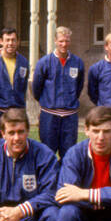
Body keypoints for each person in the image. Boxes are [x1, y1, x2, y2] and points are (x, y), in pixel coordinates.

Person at [32, 26, 86, 159]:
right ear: (55, 41)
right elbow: (36, 88)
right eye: (61, 41)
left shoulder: (77, 62)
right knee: (47, 154)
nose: (64, 44)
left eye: (67, 41)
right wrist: (47, 103)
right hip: (50, 115)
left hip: (70, 116)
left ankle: (65, 180)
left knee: (68, 155)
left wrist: (70, 99)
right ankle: (48, 180)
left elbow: (78, 87)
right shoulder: (44, 62)